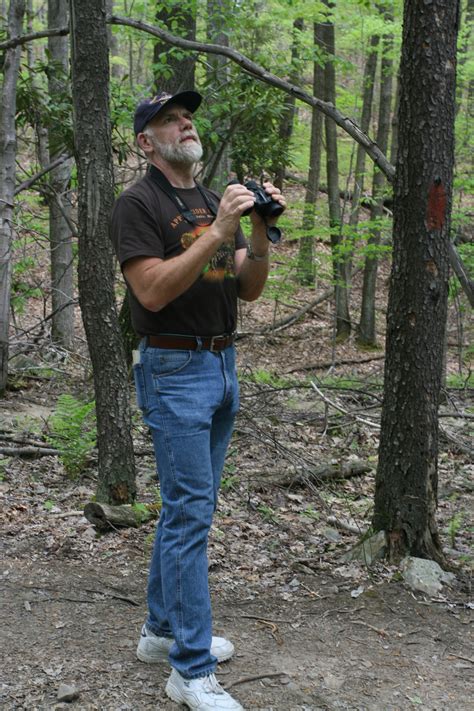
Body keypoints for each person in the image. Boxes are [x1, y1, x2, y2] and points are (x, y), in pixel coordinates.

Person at [110, 90, 285, 711]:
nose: (185, 123)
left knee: (189, 508)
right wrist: (219, 232)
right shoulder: (138, 203)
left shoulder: (212, 201)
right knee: (190, 515)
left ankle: (161, 633)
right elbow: (151, 292)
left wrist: (259, 230)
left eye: (187, 116)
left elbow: (250, 287)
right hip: (174, 365)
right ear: (146, 142)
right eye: (169, 119)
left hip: (222, 361)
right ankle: (189, 668)